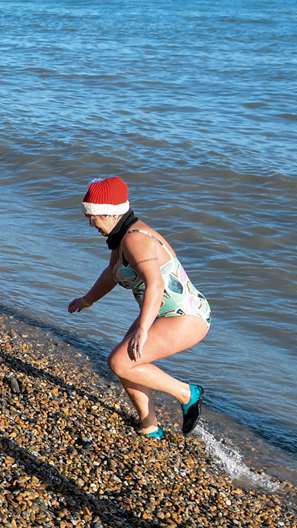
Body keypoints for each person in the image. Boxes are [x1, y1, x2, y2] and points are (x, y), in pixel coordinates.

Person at [67, 176, 209, 442]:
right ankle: (149, 425)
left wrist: (143, 329)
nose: (91, 223)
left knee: (120, 361)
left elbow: (155, 284)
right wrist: (87, 300)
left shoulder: (135, 239)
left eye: (93, 217)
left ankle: (188, 394)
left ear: (109, 213)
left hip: (185, 317)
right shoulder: (121, 238)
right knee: (128, 361)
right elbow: (112, 273)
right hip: (160, 313)